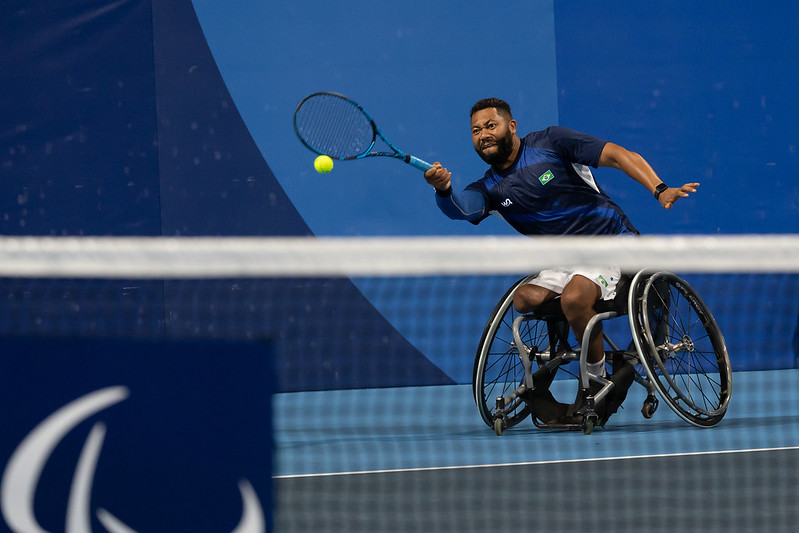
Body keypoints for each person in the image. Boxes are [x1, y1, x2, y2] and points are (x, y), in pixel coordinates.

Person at [424, 98, 698, 416]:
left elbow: (620, 156)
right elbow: (462, 207)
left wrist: (659, 188)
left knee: (574, 298)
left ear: (511, 126)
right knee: (523, 299)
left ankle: (595, 382)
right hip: (565, 261)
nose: (483, 134)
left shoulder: (551, 143)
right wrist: (443, 190)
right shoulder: (490, 188)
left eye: (490, 125)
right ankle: (557, 354)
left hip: (610, 245)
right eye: (475, 130)